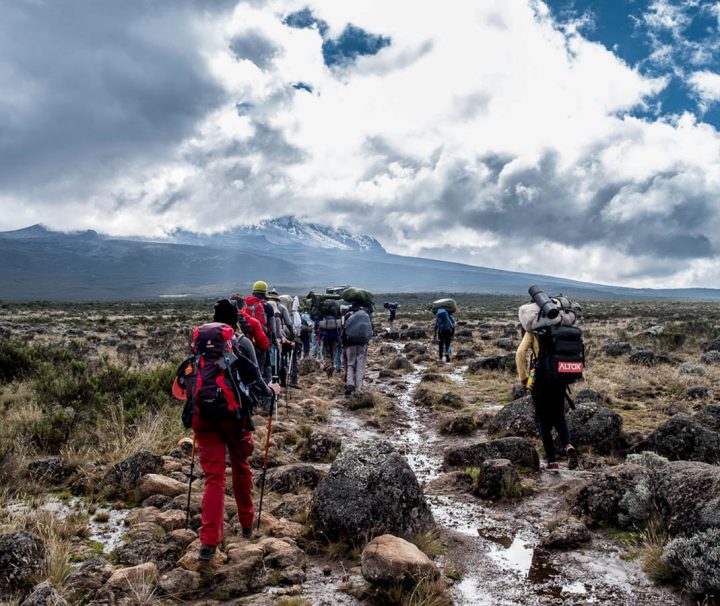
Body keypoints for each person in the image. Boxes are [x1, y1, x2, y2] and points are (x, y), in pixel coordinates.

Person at [192, 299, 281, 560]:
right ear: (235, 321)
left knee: (213, 478)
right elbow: (255, 378)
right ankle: (246, 524)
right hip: (235, 418)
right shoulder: (242, 343)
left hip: (204, 417)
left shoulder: (200, 345)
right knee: (241, 466)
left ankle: (208, 542)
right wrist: (270, 392)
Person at [516, 328, 578, 471]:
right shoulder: (560, 328)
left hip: (540, 380)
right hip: (559, 378)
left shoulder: (533, 331)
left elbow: (520, 353)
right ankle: (568, 445)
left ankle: (552, 462)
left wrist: (524, 378)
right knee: (559, 417)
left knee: (543, 422)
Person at [245, 281, 275, 382]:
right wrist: (274, 340)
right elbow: (273, 328)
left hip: (246, 340)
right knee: (265, 365)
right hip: (262, 341)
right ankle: (265, 390)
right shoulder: (268, 307)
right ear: (265, 292)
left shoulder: (245, 304)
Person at [342, 302, 373, 395]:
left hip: (350, 344)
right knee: (360, 366)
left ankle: (350, 384)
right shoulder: (365, 316)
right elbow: (370, 330)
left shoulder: (348, 316)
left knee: (350, 365)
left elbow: (344, 330)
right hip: (362, 344)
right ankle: (358, 387)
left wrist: (344, 343)